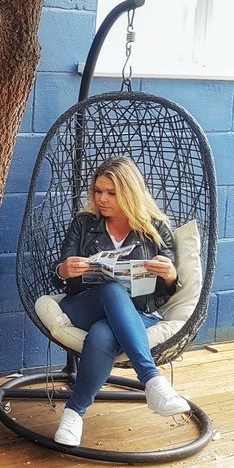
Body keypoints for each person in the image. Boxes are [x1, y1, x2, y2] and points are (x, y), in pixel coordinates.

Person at [52, 156, 189, 447]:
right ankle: (151, 380)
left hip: (137, 314)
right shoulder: (84, 224)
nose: (102, 199)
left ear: (130, 192)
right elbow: (60, 277)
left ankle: (73, 414)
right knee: (112, 289)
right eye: (98, 191)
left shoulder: (155, 229)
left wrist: (169, 275)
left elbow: (166, 292)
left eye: (111, 193)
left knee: (104, 332)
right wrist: (65, 269)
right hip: (84, 305)